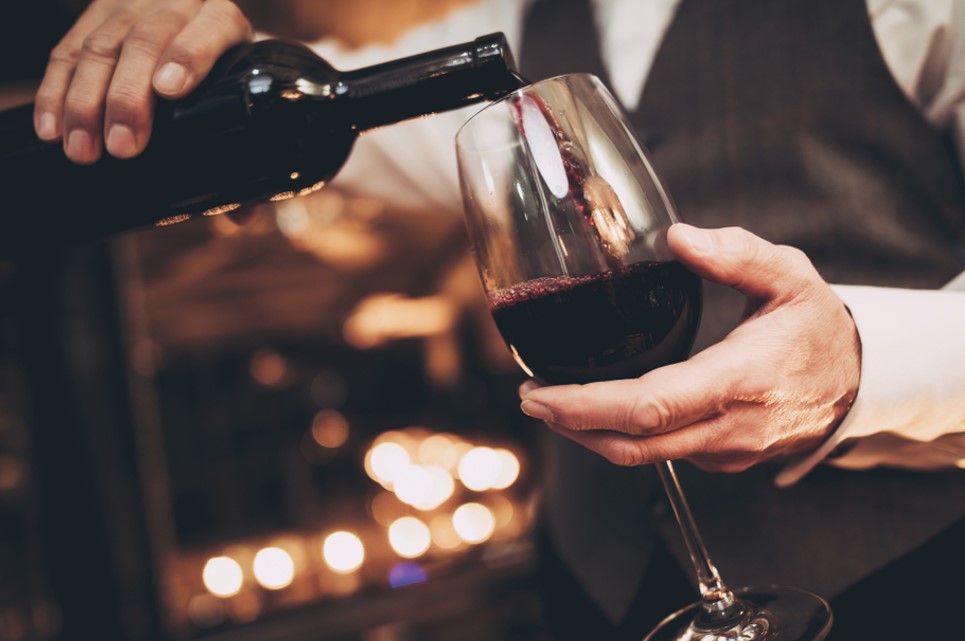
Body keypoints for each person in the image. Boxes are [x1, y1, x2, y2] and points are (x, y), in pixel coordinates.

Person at [30, 0, 965, 639]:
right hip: (591, 597)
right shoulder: (516, 20)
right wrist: (196, 54)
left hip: (901, 589)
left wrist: (859, 363)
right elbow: (332, 114)